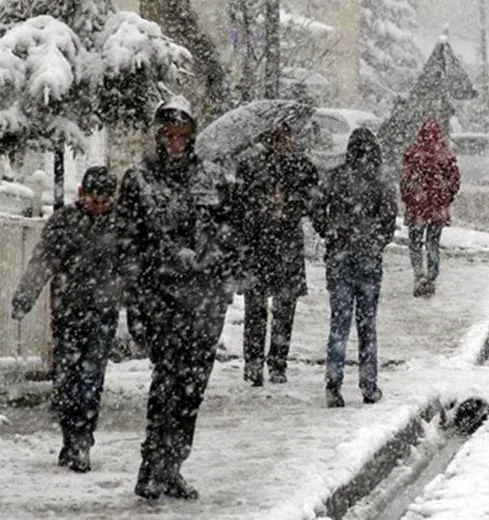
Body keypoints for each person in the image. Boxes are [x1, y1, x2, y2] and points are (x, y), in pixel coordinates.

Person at [117, 96, 233, 500]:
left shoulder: (212, 178)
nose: (176, 142)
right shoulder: (139, 180)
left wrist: (216, 265)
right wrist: (136, 301)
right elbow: (128, 245)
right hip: (162, 299)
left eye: (182, 134)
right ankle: (151, 465)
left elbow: (230, 234)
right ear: (159, 136)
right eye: (169, 134)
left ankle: (173, 466)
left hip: (204, 302)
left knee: (192, 389)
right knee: (167, 384)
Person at [10, 166, 120, 473]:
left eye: (105, 201)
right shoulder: (64, 222)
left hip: (103, 312)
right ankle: (71, 436)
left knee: (91, 379)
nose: (98, 206)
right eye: (93, 199)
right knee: (68, 378)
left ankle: (83, 439)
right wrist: (25, 296)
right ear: (81, 194)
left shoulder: (120, 225)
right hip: (69, 312)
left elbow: (133, 268)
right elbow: (43, 260)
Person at [229, 121, 320, 387]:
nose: (281, 142)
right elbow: (239, 207)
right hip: (258, 245)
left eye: (284, 137)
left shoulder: (302, 167)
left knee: (284, 308)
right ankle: (254, 363)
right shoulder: (249, 166)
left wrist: (289, 205)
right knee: (256, 308)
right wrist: (262, 207)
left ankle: (277, 362)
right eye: (276, 137)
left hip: (286, 245)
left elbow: (311, 199)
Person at [312, 128, 397, 408]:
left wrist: (330, 232)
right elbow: (389, 216)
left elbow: (316, 207)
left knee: (339, 323)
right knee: (367, 324)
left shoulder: (335, 176)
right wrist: (376, 240)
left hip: (339, 256)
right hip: (368, 258)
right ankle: (368, 384)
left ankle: (333, 384)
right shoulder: (380, 180)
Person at [400, 117, 460, 297]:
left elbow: (404, 180)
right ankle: (432, 276)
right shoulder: (445, 154)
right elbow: (454, 180)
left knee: (415, 243)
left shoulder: (413, 153)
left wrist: (409, 198)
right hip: (436, 208)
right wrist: (446, 197)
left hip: (417, 207)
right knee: (433, 243)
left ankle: (419, 274)